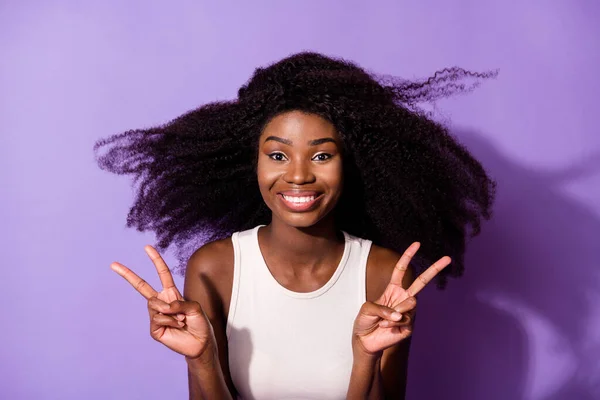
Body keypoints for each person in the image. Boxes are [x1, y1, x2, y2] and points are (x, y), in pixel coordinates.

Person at [95, 52, 496, 399]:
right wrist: (202, 359)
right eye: (278, 155)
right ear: (251, 162)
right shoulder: (216, 268)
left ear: (352, 166)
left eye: (321, 156)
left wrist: (366, 359)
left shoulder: (384, 275)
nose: (299, 176)